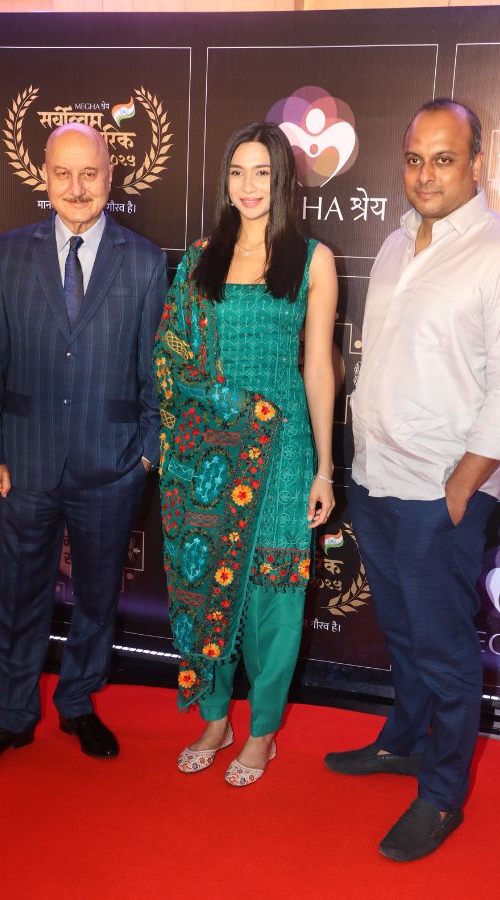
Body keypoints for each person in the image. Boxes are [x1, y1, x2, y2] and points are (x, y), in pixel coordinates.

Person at [324, 99, 500, 860]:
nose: (426, 174)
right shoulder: (396, 243)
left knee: (446, 651)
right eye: (415, 158)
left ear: (478, 163)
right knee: (401, 633)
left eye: (444, 158)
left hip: (438, 496)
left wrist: (459, 490)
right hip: (375, 480)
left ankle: (443, 794)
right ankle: (403, 741)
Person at [0, 123, 167, 771]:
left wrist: (147, 454)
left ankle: (77, 703)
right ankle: (12, 716)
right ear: (44, 176)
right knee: (19, 596)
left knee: (98, 597)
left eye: (89, 174)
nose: (77, 188)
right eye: (63, 174)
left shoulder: (144, 260)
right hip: (25, 461)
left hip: (112, 465)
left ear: (110, 176)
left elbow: (156, 372)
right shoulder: (6, 254)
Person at [154, 121, 337, 786]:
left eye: (262, 172)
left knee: (274, 597)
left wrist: (324, 467)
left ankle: (260, 732)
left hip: (282, 451)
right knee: (208, 582)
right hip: (207, 454)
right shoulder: (199, 259)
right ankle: (214, 719)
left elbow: (319, 368)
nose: (249, 186)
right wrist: (218, 414)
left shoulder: (312, 260)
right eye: (237, 172)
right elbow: (173, 356)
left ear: (282, 179)